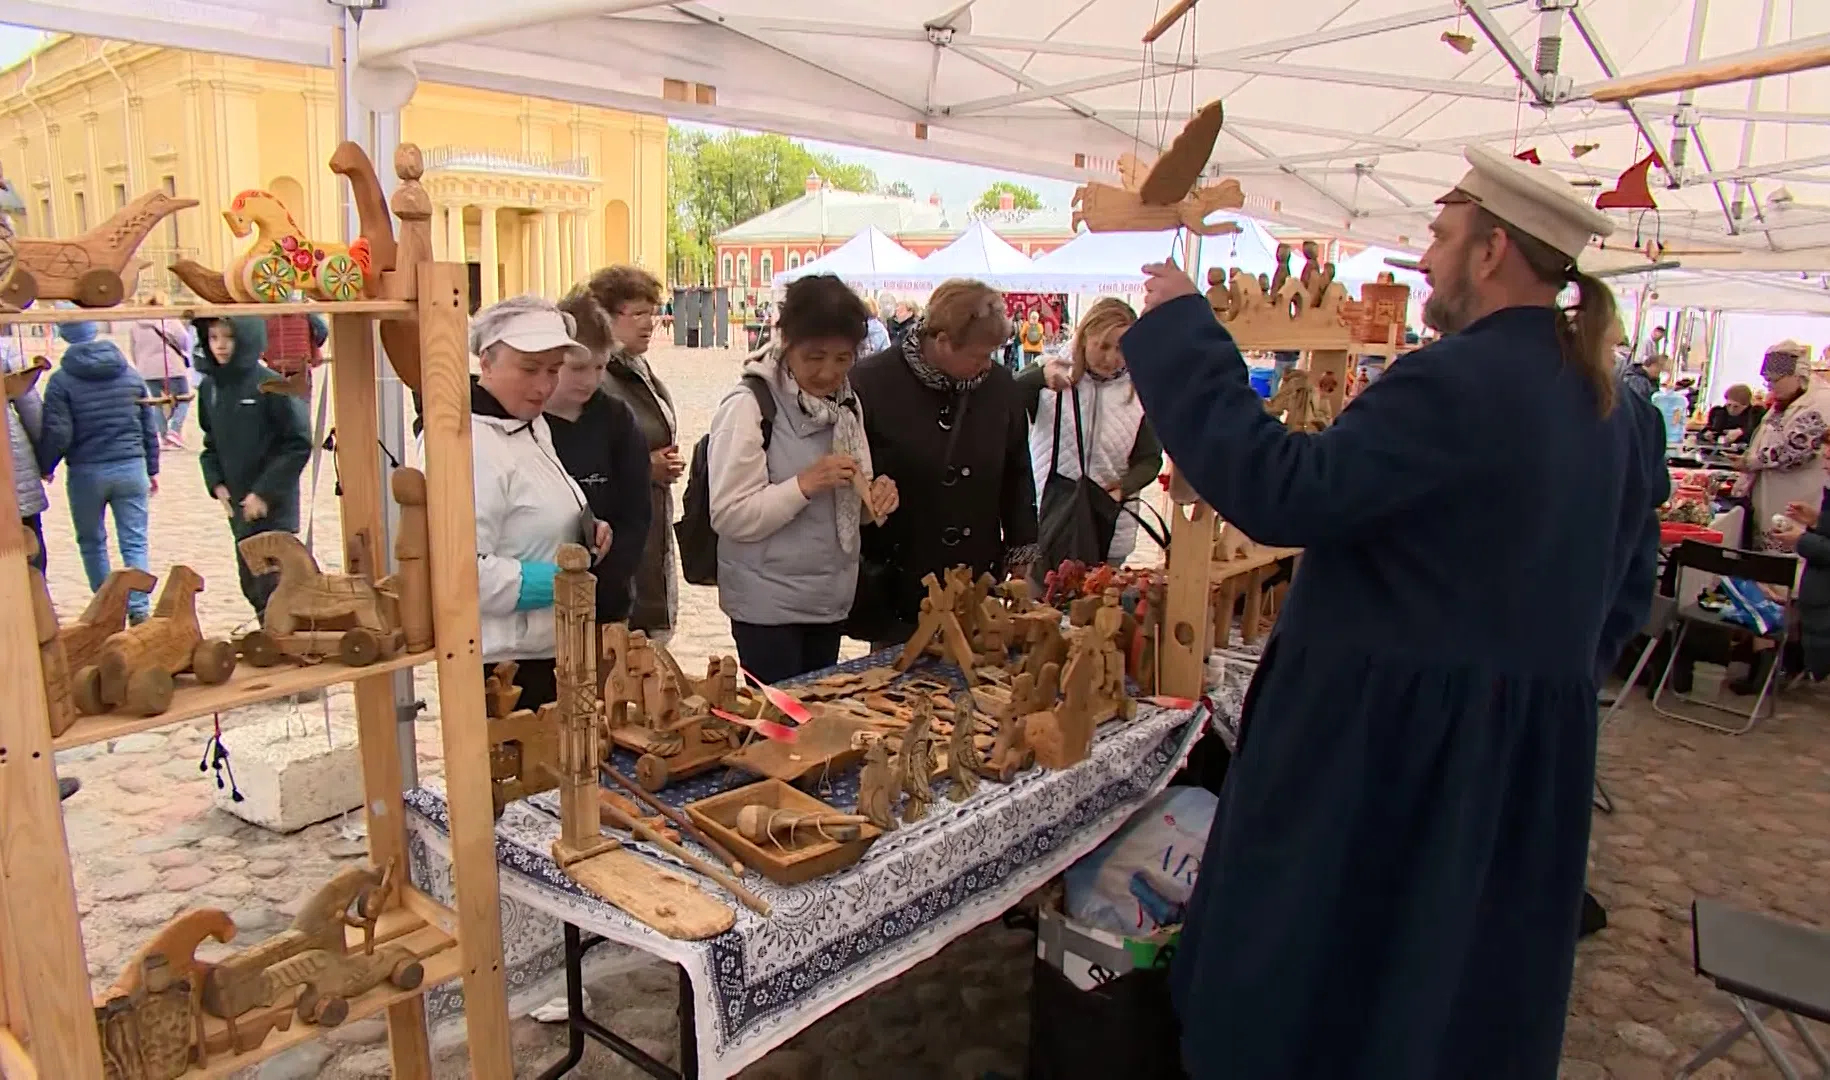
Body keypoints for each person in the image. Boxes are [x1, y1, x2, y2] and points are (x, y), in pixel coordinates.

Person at [1124, 145, 1665, 1079]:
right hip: (1514, 753)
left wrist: (1182, 331)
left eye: (1441, 235)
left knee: (1322, 984)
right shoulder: (1607, 403)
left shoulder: (1458, 382)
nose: (1425, 257)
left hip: (1388, 752)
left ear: (1492, 251)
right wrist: (1535, 682)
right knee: (1450, 985)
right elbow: (1627, 581)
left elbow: (1284, 489)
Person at [708, 275, 900, 684]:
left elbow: (853, 501)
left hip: (828, 599)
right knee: (779, 734)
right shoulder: (749, 406)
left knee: (815, 724)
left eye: (843, 358)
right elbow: (729, 515)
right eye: (815, 357)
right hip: (766, 606)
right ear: (787, 341)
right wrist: (804, 485)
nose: (829, 371)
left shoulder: (846, 405)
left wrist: (875, 498)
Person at [851, 278, 1039, 644]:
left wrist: (1021, 544)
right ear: (941, 342)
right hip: (900, 574)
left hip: (975, 574)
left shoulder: (1001, 388)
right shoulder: (872, 383)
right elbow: (851, 468)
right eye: (978, 355)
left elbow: (1018, 471)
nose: (987, 365)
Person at [471, 296, 608, 709]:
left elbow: (537, 507)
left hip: (550, 643)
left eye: (552, 371)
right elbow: (462, 572)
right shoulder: (472, 444)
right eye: (529, 369)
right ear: (487, 362)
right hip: (504, 663)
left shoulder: (530, 425)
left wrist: (587, 530)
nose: (543, 386)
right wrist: (558, 580)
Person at [565, 265, 681, 644]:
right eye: (636, 314)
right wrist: (647, 468)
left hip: (646, 535)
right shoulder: (598, 389)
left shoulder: (638, 369)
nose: (648, 323)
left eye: (652, 312)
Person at [1021, 297, 1162, 569]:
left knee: (1099, 605)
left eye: (1123, 349)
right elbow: (1002, 399)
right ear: (1085, 337)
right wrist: (1038, 377)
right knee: (1040, 604)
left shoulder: (1141, 392)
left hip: (1108, 524)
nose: (1112, 359)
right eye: (1103, 346)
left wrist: (1123, 490)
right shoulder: (1050, 372)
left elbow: (1150, 459)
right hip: (1050, 520)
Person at [38, 322, 161, 623]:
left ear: (65, 336)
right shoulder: (129, 374)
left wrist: (46, 465)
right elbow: (148, 425)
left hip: (86, 472)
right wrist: (152, 468)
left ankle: (108, 608)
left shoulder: (61, 381)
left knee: (92, 542)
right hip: (131, 466)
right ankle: (139, 607)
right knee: (134, 541)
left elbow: (59, 432)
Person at [542, 301, 654, 626]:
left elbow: (636, 516)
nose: (590, 380)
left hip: (605, 604)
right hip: (538, 605)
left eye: (600, 368)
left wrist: (605, 584)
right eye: (578, 368)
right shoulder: (527, 420)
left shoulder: (617, 419)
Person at [192, 317, 312, 620]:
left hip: (272, 505)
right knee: (251, 580)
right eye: (213, 337)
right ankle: (269, 635)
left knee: (277, 581)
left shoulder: (272, 384)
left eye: (228, 337)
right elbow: (211, 444)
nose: (219, 345)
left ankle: (288, 640)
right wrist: (216, 484)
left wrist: (264, 493)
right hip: (237, 505)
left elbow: (297, 443)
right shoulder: (210, 388)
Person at [1737, 340, 1830, 548]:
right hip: (1771, 503)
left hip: (1795, 503)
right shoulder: (1789, 400)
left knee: (1782, 571)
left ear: (1796, 375)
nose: (1769, 387)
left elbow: (1796, 452)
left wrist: (1750, 462)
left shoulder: (1822, 402)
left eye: (1774, 381)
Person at [3, 343, 48, 573]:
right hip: (11, 452)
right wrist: (44, 459)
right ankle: (34, 597)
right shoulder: (5, 350)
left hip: (12, 456)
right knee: (28, 533)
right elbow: (32, 410)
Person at [126, 301, 195, 450]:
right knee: (185, 397)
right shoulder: (169, 320)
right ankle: (175, 430)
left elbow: (133, 348)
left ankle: (164, 437)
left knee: (157, 402)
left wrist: (140, 364)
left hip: (147, 369)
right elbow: (185, 340)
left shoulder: (136, 325)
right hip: (172, 367)